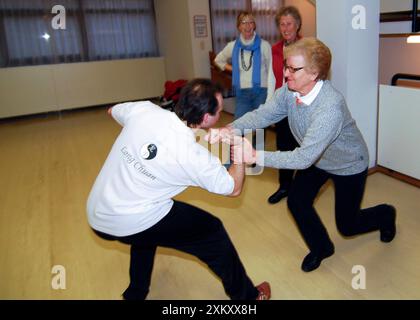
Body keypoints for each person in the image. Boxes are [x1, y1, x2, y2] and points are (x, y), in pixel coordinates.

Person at [208, 38, 397, 273]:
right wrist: (230, 129)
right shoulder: (288, 91)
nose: (285, 73)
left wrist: (255, 155)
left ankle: (386, 214)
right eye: (285, 66)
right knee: (297, 202)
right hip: (318, 158)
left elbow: (303, 158)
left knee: (348, 225)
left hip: (347, 163)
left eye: (292, 68)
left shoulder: (330, 107)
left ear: (314, 73)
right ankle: (322, 247)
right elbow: (264, 115)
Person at [86, 79, 271, 300]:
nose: (221, 115)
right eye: (219, 111)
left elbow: (112, 111)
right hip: (130, 218)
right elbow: (234, 188)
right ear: (206, 118)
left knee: (149, 226)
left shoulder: (144, 110)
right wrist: (238, 149)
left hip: (97, 212)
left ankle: (136, 293)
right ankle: (248, 298)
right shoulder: (193, 156)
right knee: (212, 231)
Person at [268, 6, 302, 204]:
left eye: (289, 23)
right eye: (282, 24)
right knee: (283, 147)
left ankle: (302, 187)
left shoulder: (307, 47)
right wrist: (270, 105)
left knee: (303, 147)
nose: (286, 28)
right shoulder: (275, 49)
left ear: (297, 25)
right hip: (282, 105)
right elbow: (273, 79)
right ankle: (284, 186)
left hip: (301, 105)